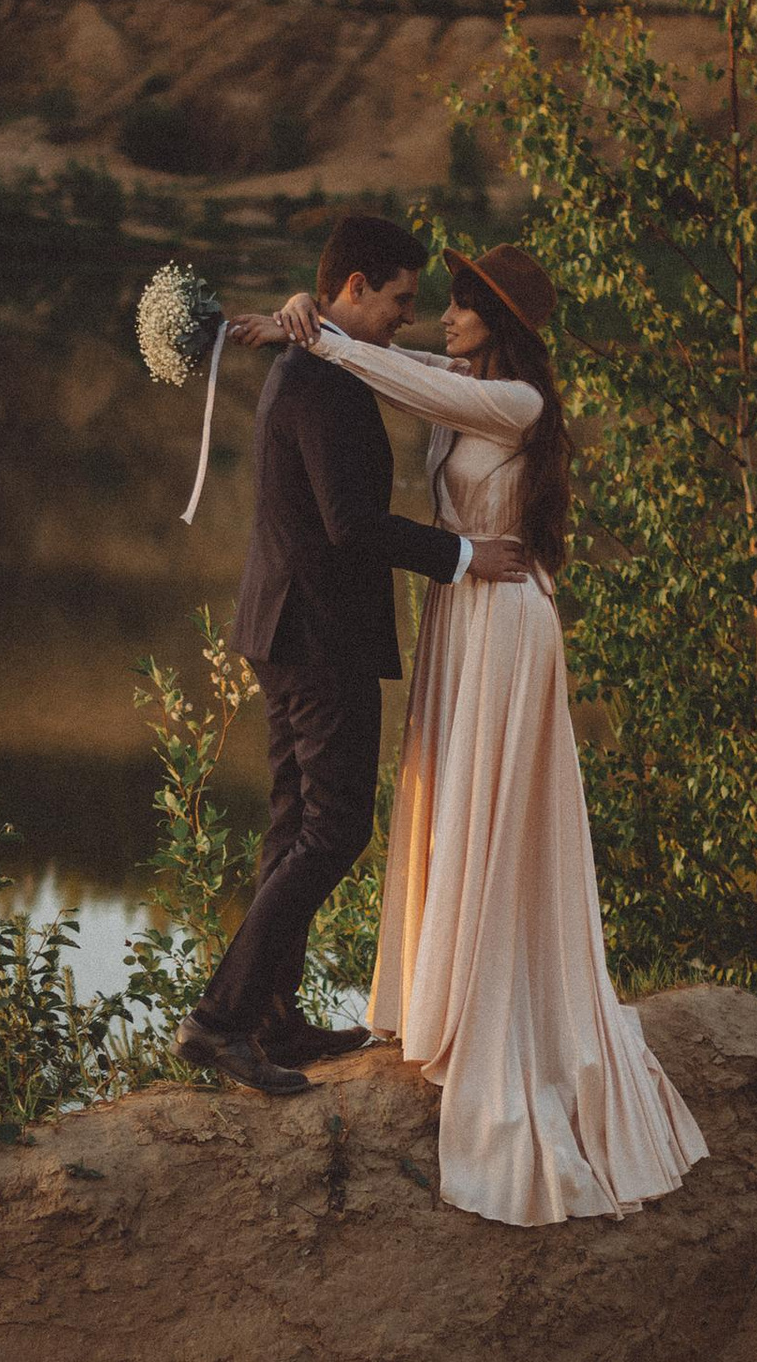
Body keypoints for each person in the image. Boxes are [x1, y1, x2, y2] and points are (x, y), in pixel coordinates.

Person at [236, 239, 708, 1229]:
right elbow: (398, 364)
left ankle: (496, 1012)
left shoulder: (515, 404)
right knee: (446, 798)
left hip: (506, 622)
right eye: (431, 303)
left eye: (456, 308)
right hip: (463, 615)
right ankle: (424, 997)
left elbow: (386, 371)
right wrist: (304, 318)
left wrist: (314, 329)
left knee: (492, 810)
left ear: (500, 322)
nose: (439, 319)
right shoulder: (464, 374)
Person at [180, 211, 532, 1098]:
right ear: (354, 289)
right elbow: (354, 526)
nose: (408, 318)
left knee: (295, 822)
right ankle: (222, 1021)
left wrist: (304, 316)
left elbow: (404, 374)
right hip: (318, 634)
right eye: (400, 301)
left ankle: (269, 1017)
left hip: (289, 626)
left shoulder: (318, 362)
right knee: (334, 833)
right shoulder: (322, 380)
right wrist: (462, 557)